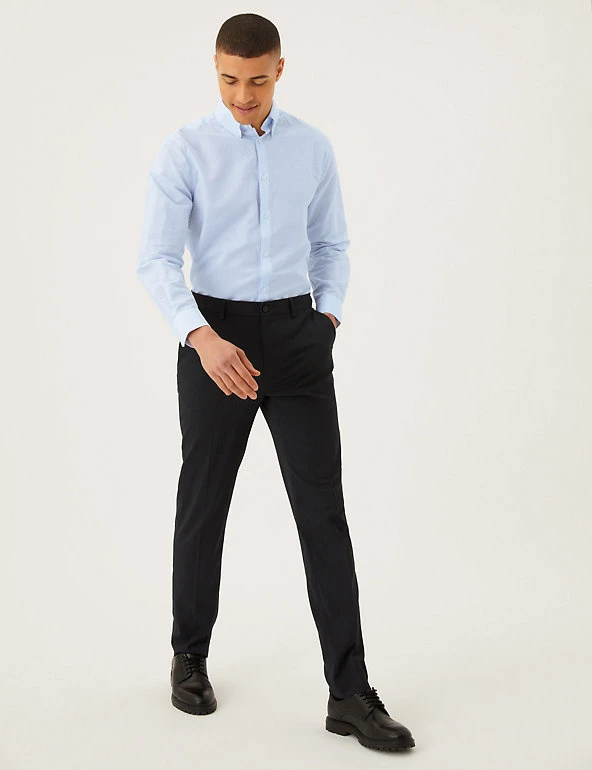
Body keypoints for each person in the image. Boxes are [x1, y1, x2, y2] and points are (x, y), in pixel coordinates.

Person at [136, 12, 415, 752]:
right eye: (230, 79)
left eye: (257, 80)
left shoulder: (311, 147)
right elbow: (157, 260)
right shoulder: (185, 149)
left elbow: (332, 243)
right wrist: (200, 336)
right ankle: (189, 656)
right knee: (204, 503)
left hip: (297, 338)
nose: (242, 95)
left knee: (323, 514)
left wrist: (326, 320)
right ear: (216, 69)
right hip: (215, 338)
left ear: (280, 70)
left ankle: (349, 694)